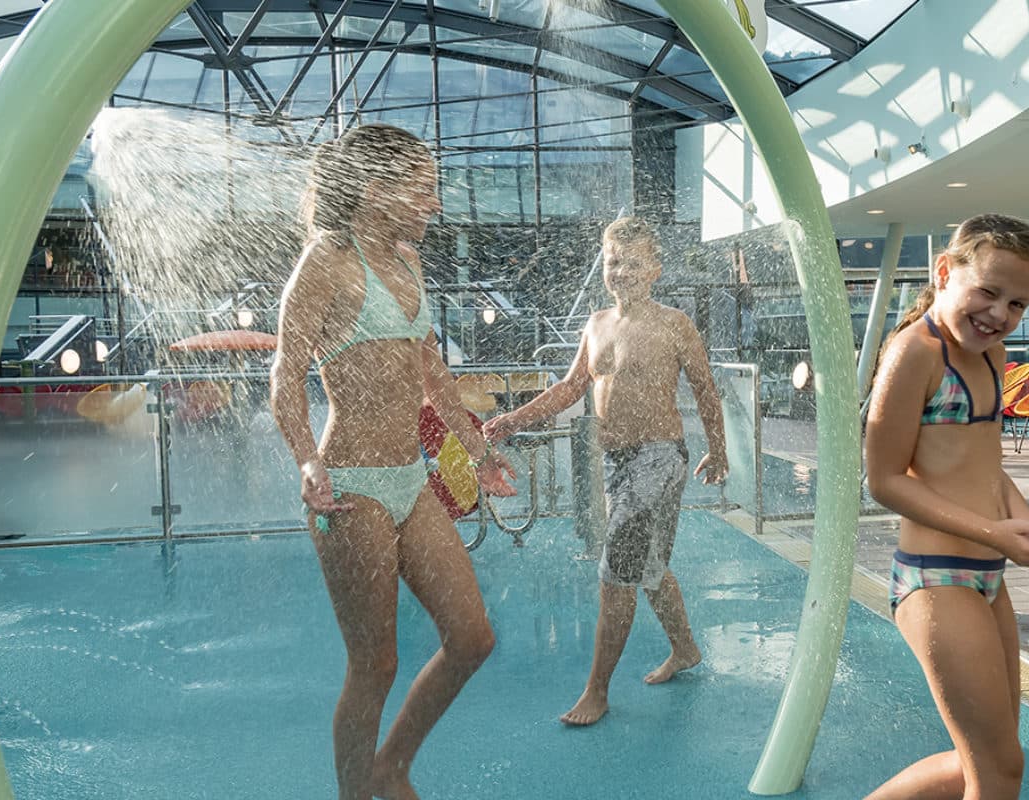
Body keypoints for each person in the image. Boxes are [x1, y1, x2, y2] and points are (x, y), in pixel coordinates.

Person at [270, 124, 514, 800]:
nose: (435, 204)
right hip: (351, 488)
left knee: (472, 637)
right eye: (424, 190)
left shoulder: (407, 263)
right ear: (375, 191)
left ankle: (391, 765)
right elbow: (285, 375)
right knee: (374, 664)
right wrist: (305, 461)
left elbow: (435, 379)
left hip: (411, 481)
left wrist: (479, 451)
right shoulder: (325, 262)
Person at [862, 214, 1029, 800]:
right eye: (988, 292)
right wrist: (997, 536)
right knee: (997, 773)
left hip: (986, 580)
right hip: (935, 581)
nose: (999, 314)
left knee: (989, 763)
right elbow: (884, 479)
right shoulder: (914, 354)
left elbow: (986, 470)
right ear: (945, 272)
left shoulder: (991, 357)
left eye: (1018, 304)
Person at [483, 216, 728, 726]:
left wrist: (719, 449)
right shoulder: (595, 325)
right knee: (651, 568)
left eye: (634, 263)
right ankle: (685, 649)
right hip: (616, 463)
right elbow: (571, 388)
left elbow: (705, 388)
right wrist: (514, 418)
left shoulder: (673, 324)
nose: (622, 271)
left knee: (617, 571)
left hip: (660, 459)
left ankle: (597, 691)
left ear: (656, 270)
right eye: (614, 261)